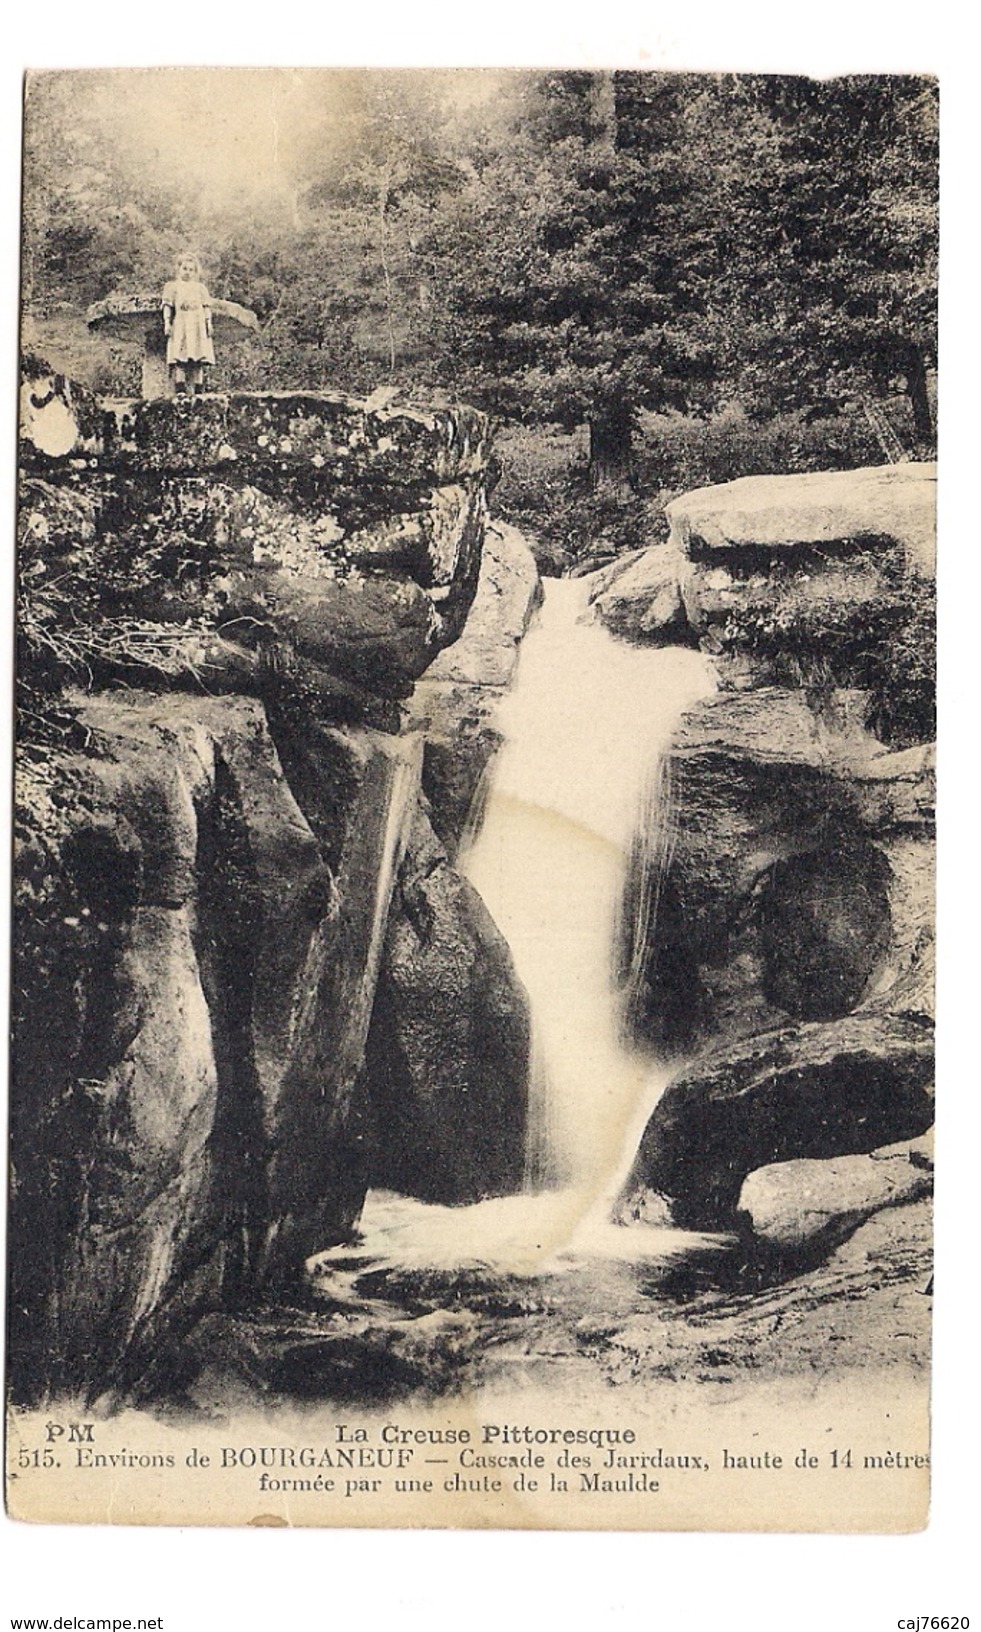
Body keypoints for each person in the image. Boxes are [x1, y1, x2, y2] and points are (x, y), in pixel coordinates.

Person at [161, 252, 215, 394]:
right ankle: (180, 387)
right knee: (180, 354)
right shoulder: (172, 287)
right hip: (181, 323)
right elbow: (167, 305)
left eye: (191, 270)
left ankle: (199, 387)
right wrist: (167, 322)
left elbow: (206, 306)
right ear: (178, 269)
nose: (188, 273)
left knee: (199, 356)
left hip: (197, 325)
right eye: (185, 269)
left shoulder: (200, 288)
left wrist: (208, 323)